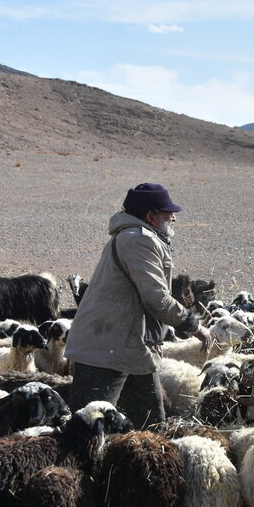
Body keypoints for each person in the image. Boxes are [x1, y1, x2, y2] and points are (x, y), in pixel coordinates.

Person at [65, 183, 211, 427]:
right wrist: (194, 326)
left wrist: (154, 338)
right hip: (104, 351)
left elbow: (137, 296)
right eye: (167, 212)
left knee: (150, 425)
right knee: (88, 429)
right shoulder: (138, 241)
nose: (173, 217)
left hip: (128, 346)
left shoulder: (139, 238)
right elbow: (156, 297)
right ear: (151, 216)